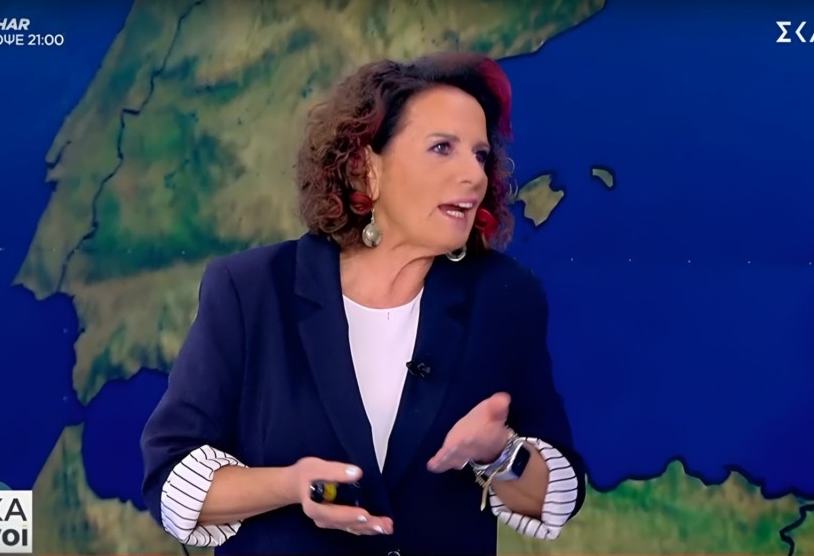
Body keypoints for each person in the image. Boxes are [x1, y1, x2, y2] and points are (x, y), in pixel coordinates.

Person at [140, 50, 587, 556]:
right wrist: (290, 485)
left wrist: (501, 454)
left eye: (480, 155)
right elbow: (171, 481)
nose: (473, 175)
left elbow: (556, 499)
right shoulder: (252, 290)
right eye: (443, 148)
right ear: (365, 168)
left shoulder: (505, 298)